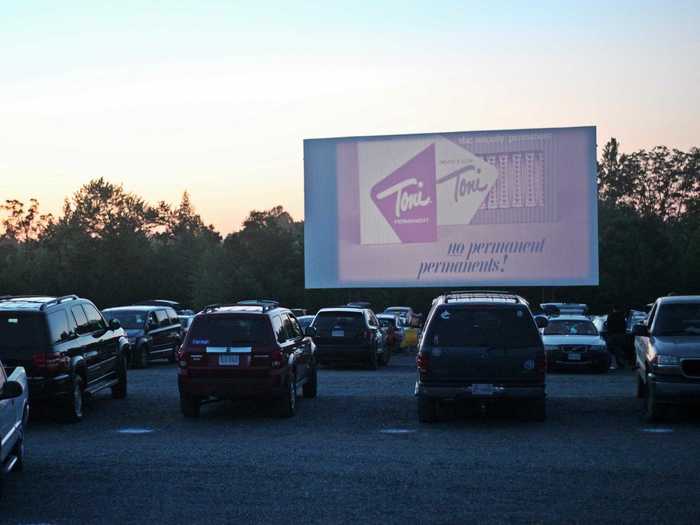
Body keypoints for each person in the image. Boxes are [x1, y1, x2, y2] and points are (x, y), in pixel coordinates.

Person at [606, 304, 627, 370]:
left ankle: (612, 363)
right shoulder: (622, 316)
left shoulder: (610, 316)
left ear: (613, 309)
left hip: (612, 335)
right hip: (620, 335)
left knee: (610, 350)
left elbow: (608, 326)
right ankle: (620, 363)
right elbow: (624, 326)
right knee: (619, 349)